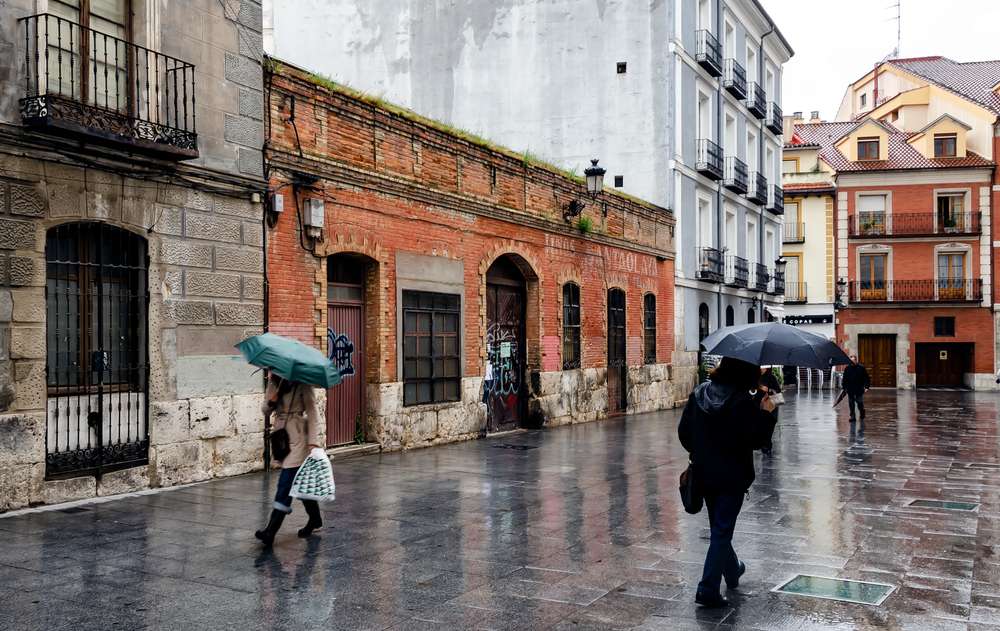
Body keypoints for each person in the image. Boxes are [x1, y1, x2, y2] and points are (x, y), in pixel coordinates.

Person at [678, 357, 777, 608]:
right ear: (746, 373)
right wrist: (767, 415)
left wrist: (701, 451)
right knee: (721, 531)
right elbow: (757, 440)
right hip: (732, 476)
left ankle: (732, 570)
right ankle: (707, 589)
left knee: (719, 529)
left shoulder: (699, 393)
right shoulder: (742, 401)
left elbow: (684, 432)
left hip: (704, 473)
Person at [255, 373, 324, 546]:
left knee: (286, 482)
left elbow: (312, 411)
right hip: (281, 437)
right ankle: (315, 519)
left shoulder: (302, 381)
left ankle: (271, 531)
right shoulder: (273, 382)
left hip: (298, 435)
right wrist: (275, 396)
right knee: (298, 483)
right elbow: (265, 410)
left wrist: (313, 442)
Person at [758, 367, 781, 457]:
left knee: (769, 428)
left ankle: (767, 446)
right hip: (759, 407)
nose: (761, 369)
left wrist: (769, 390)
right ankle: (764, 445)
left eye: (763, 367)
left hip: (771, 408)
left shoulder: (771, 378)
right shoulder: (756, 377)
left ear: (767, 368)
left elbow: (778, 391)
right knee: (761, 428)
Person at [841, 355, 871, 424]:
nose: (851, 362)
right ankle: (852, 416)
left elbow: (866, 378)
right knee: (851, 403)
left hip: (859, 388)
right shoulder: (847, 368)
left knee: (859, 402)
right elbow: (844, 379)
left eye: (853, 360)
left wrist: (866, 387)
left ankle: (862, 412)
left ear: (856, 360)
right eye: (850, 360)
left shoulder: (861, 368)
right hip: (850, 389)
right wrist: (844, 387)